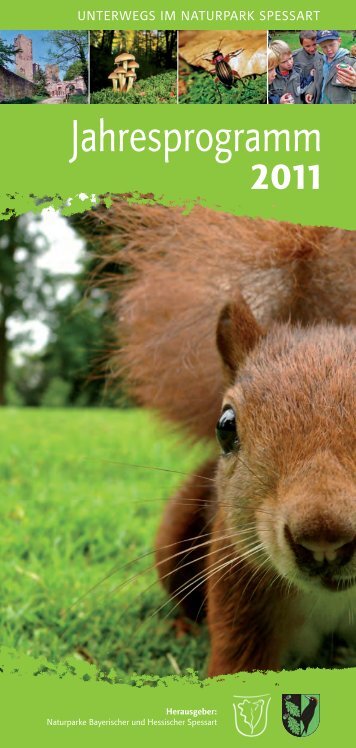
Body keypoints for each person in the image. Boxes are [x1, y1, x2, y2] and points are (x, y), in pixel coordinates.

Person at [306, 30, 356, 104]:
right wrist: (310, 91)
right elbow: (316, 80)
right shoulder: (320, 61)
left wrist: (354, 84)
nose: (328, 50)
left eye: (332, 45)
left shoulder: (351, 62)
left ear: (339, 41)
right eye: (324, 47)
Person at [292, 31, 323, 95]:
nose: (312, 49)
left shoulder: (321, 57)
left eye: (314, 44)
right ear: (301, 45)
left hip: (313, 91)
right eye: (307, 46)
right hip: (297, 91)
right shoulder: (293, 57)